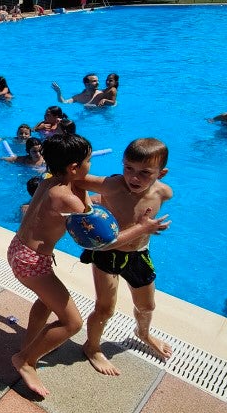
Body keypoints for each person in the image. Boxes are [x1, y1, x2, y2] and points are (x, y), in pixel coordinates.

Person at [8, 134, 169, 398]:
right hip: (32, 262)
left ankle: (31, 343)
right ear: (74, 167)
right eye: (88, 161)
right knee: (72, 323)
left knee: (47, 301)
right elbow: (103, 242)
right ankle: (25, 360)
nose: (90, 166)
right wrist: (142, 227)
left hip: (19, 250)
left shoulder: (49, 180)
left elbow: (83, 198)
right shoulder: (68, 199)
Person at [75, 138, 175, 375]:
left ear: (161, 173)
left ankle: (143, 333)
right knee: (105, 309)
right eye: (128, 168)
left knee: (147, 305)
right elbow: (73, 181)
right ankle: (92, 347)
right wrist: (87, 206)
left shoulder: (164, 193)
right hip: (107, 254)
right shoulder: (111, 185)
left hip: (139, 253)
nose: (134, 178)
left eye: (144, 173)